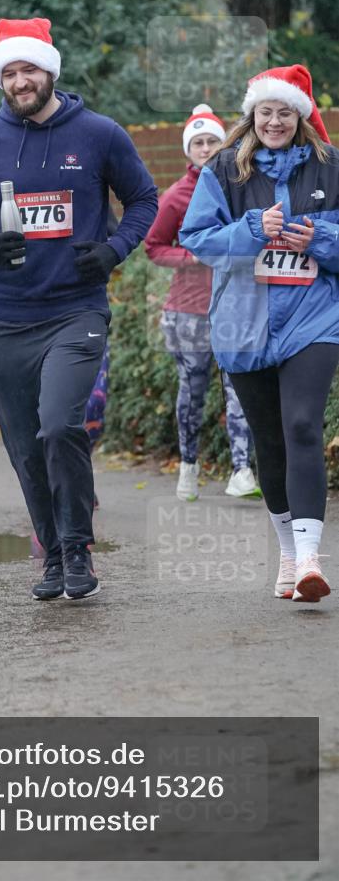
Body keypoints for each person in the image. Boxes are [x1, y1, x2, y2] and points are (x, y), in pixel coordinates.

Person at [0, 17, 158, 600]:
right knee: (23, 445)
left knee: (60, 424)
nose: (19, 80)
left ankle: (79, 548)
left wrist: (112, 250)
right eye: (8, 72)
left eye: (28, 69)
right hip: (6, 315)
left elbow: (144, 200)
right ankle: (53, 554)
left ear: (50, 70)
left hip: (75, 310)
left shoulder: (100, 133)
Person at [179, 65, 339, 603]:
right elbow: (196, 238)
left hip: (314, 318)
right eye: (265, 111)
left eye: (285, 111)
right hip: (243, 323)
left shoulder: (330, 165)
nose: (274, 121)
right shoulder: (225, 169)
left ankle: (313, 557)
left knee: (302, 426)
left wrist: (317, 238)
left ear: (301, 116)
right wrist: (252, 231)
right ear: (252, 116)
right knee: (270, 441)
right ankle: (289, 558)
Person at [145, 105, 260, 501]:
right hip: (189, 312)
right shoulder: (177, 197)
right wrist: (193, 257)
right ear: (188, 150)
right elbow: (154, 247)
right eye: (199, 142)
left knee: (239, 390)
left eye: (213, 140)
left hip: (236, 308)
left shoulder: (241, 186)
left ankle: (242, 471)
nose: (207, 148)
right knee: (192, 392)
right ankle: (188, 467)